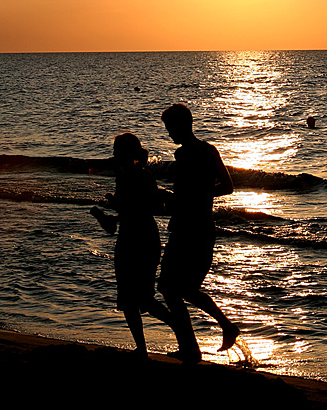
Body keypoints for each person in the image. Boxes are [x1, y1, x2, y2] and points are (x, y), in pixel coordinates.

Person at [158, 103, 238, 363]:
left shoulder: (185, 155)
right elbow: (227, 187)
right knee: (185, 289)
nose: (169, 134)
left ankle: (194, 345)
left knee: (171, 288)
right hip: (201, 226)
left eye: (170, 128)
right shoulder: (209, 150)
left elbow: (191, 194)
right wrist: (198, 196)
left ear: (181, 126)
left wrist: (185, 198)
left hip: (188, 228)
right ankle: (218, 330)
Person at [90, 133, 174, 358]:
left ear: (125, 153)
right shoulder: (143, 176)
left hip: (134, 239)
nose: (114, 154)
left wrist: (112, 208)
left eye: (117, 150)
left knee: (133, 299)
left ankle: (162, 338)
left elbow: (131, 210)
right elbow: (145, 207)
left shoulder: (127, 177)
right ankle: (164, 338)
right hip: (144, 236)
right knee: (137, 299)